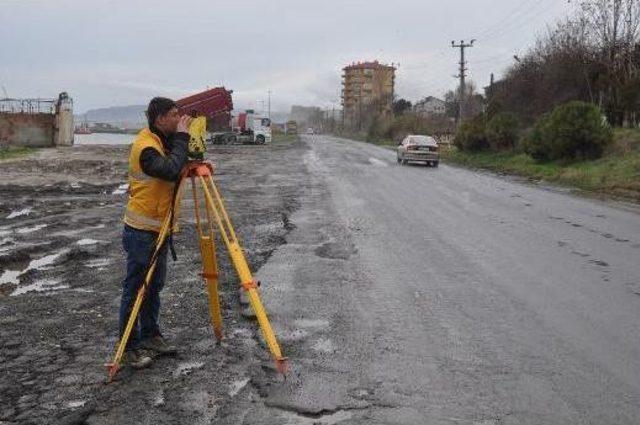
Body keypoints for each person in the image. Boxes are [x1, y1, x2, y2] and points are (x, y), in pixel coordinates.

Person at [118, 97, 191, 369]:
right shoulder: (146, 147)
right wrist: (183, 137)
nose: (178, 118)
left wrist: (195, 161)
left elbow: (179, 163)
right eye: (174, 115)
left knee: (154, 288)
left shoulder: (162, 142)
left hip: (158, 229)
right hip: (141, 231)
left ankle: (150, 336)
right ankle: (129, 347)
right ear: (159, 119)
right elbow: (171, 170)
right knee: (136, 288)